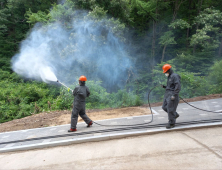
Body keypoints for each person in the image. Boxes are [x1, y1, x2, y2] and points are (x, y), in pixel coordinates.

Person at [161, 64, 181, 129]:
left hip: (172, 95)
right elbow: (170, 87)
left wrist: (174, 95)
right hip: (167, 94)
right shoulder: (169, 77)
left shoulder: (175, 76)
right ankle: (174, 114)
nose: (165, 73)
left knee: (170, 109)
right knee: (164, 107)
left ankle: (171, 123)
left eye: (166, 72)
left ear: (169, 70)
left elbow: (177, 86)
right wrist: (164, 87)